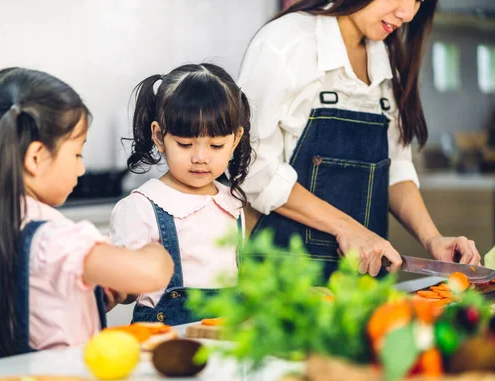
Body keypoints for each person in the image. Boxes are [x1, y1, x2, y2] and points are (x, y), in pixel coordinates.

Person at [238, 0, 481, 280]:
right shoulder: (285, 42)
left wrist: (432, 239)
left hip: (363, 280)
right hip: (283, 278)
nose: (408, 13)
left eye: (418, 1)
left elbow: (395, 168)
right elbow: (251, 166)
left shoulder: (387, 60)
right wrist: (345, 227)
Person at [0, 67, 173, 359]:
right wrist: (155, 253)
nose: (82, 168)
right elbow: (151, 274)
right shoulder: (54, 239)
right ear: (36, 157)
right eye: (77, 153)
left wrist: (85, 296)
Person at [110, 63, 252, 325]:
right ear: (159, 136)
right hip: (163, 348)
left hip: (226, 347)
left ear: (235, 139)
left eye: (216, 145)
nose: (200, 157)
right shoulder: (142, 207)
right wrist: (118, 285)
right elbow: (126, 290)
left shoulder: (233, 204)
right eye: (185, 144)